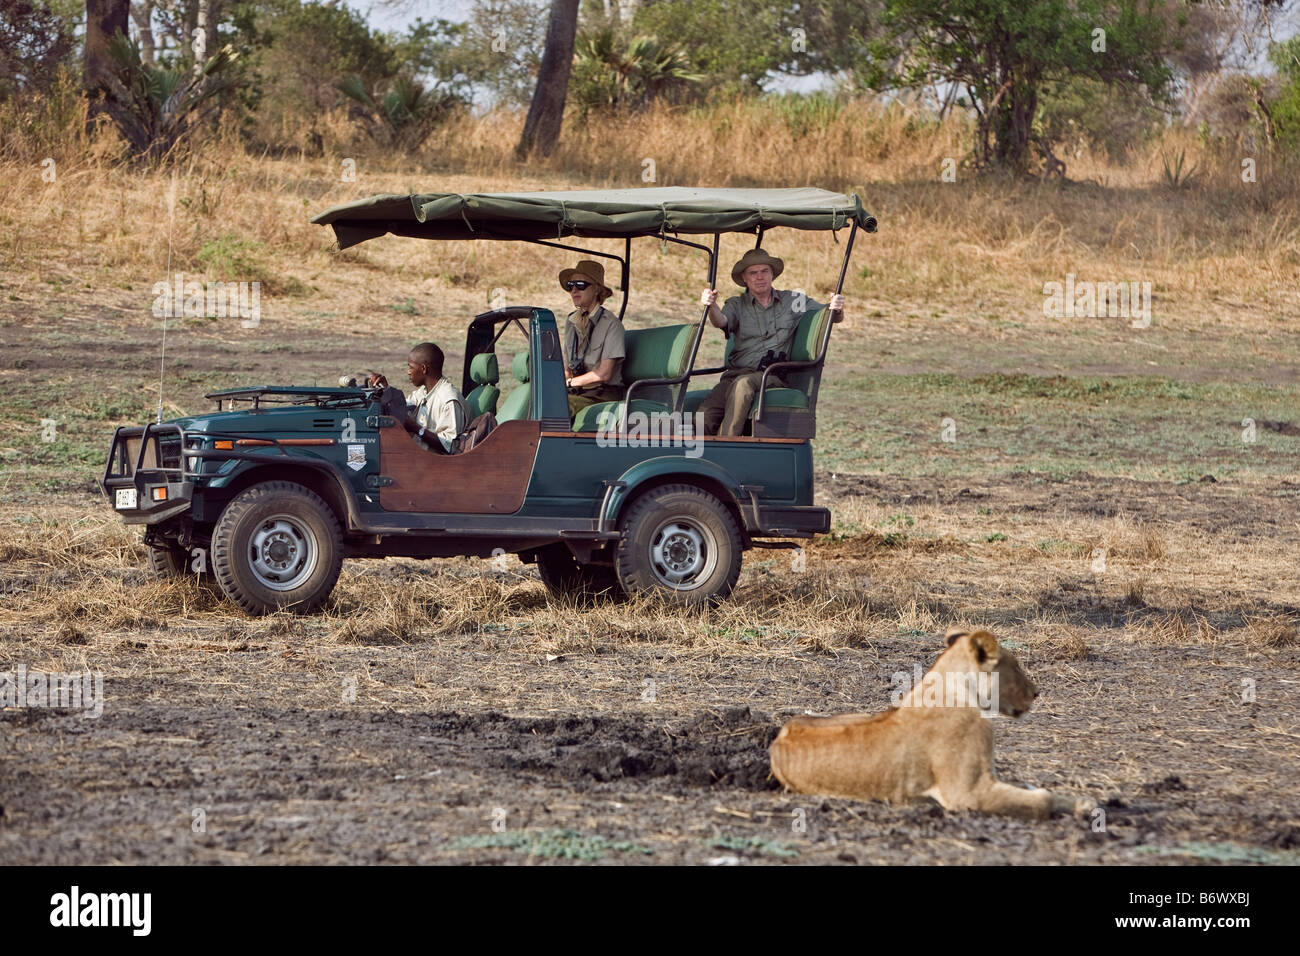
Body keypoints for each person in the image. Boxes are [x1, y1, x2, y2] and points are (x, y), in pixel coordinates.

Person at [697, 248, 846, 436]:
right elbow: (721, 321)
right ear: (744, 278)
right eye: (753, 273)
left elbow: (828, 315)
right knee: (705, 416)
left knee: (743, 385)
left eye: (764, 271)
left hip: (771, 375)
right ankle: (694, 456)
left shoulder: (794, 301)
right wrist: (710, 306)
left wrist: (837, 308)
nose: (760, 277)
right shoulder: (736, 304)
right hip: (734, 375)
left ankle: (727, 446)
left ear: (772, 274)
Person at [369, 342, 468, 453]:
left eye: (411, 367)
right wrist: (386, 390)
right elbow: (402, 408)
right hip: (417, 457)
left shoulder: (449, 400)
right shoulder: (424, 392)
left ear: (423, 369)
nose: (408, 372)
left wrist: (415, 428)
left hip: (434, 464)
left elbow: (450, 446)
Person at [559, 259, 626, 420]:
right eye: (570, 285)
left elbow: (603, 374)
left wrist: (569, 383)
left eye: (580, 285)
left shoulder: (611, 324)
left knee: (559, 406)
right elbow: (566, 368)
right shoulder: (571, 322)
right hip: (576, 391)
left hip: (602, 395)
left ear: (596, 289)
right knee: (539, 400)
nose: (574, 289)